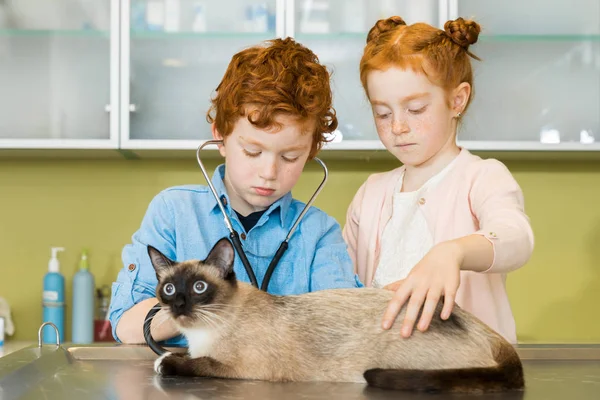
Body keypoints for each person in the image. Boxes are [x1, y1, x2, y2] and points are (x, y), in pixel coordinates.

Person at [109, 37, 362, 346]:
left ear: (312, 150)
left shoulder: (319, 233)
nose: (269, 173)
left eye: (290, 157)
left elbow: (342, 331)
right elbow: (126, 326)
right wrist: (207, 304)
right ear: (220, 136)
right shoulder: (174, 212)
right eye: (252, 152)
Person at [343, 16, 534, 344]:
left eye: (415, 109)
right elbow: (343, 281)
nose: (398, 126)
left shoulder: (481, 177)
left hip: (468, 374)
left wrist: (453, 252)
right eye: (383, 113)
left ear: (456, 100)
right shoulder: (371, 193)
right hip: (387, 371)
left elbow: (517, 239)